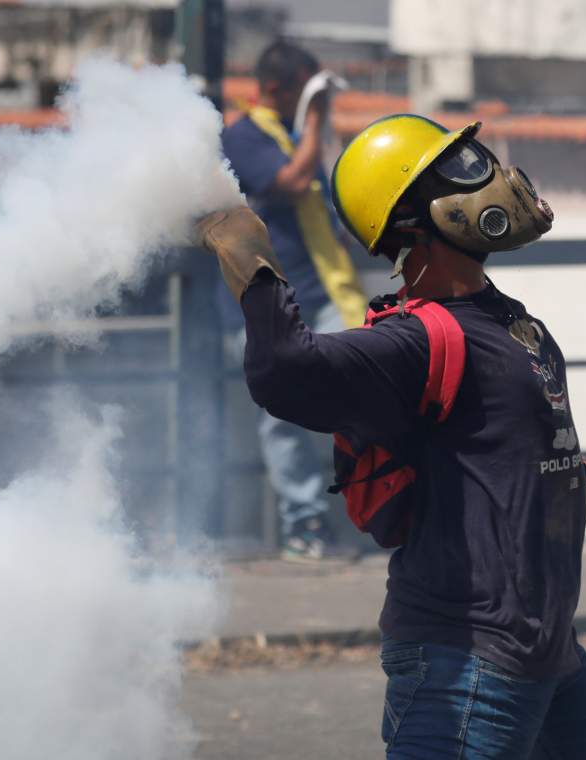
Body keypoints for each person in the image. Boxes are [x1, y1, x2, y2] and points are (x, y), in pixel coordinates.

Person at [199, 114, 586, 758]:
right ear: (414, 219)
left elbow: (486, 432)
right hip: (467, 664)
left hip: (547, 650)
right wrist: (249, 253)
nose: (490, 176)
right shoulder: (415, 339)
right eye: (462, 170)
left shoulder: (514, 324)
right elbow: (285, 370)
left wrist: (552, 458)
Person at [218, 40, 367, 561]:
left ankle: (365, 512)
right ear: (278, 88)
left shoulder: (293, 135)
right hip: (268, 301)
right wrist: (318, 119)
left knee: (359, 398)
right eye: (306, 90)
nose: (311, 101)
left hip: (326, 292)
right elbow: (293, 180)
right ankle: (304, 526)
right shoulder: (242, 135)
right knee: (284, 415)